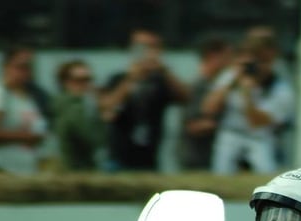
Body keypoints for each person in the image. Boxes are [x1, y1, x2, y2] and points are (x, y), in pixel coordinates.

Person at [99, 28, 189, 171]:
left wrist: (164, 70)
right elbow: (107, 107)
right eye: (143, 47)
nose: (148, 52)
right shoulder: (118, 78)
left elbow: (186, 98)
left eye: (154, 47)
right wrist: (132, 78)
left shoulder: (161, 81)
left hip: (150, 154)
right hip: (119, 154)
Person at [204, 36, 295, 174]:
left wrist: (247, 94)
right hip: (230, 134)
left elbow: (257, 122)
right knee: (222, 175)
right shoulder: (232, 76)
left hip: (260, 138)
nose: (258, 67)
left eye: (262, 61)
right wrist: (235, 78)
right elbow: (208, 109)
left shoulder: (280, 88)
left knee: (266, 175)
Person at [0, 45, 47, 175]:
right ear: (6, 67)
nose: (26, 71)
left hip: (23, 169)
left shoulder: (28, 96)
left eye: (30, 67)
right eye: (21, 66)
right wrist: (27, 137)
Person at [178, 35, 233, 170]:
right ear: (213, 56)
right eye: (227, 56)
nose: (231, 62)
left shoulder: (222, 85)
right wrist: (230, 126)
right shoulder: (199, 86)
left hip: (216, 159)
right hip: (196, 158)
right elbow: (192, 126)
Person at [52, 59, 105, 171]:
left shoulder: (65, 103)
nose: (85, 84)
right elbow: (93, 139)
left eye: (88, 79)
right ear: (65, 82)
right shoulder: (73, 106)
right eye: (79, 80)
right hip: (77, 171)